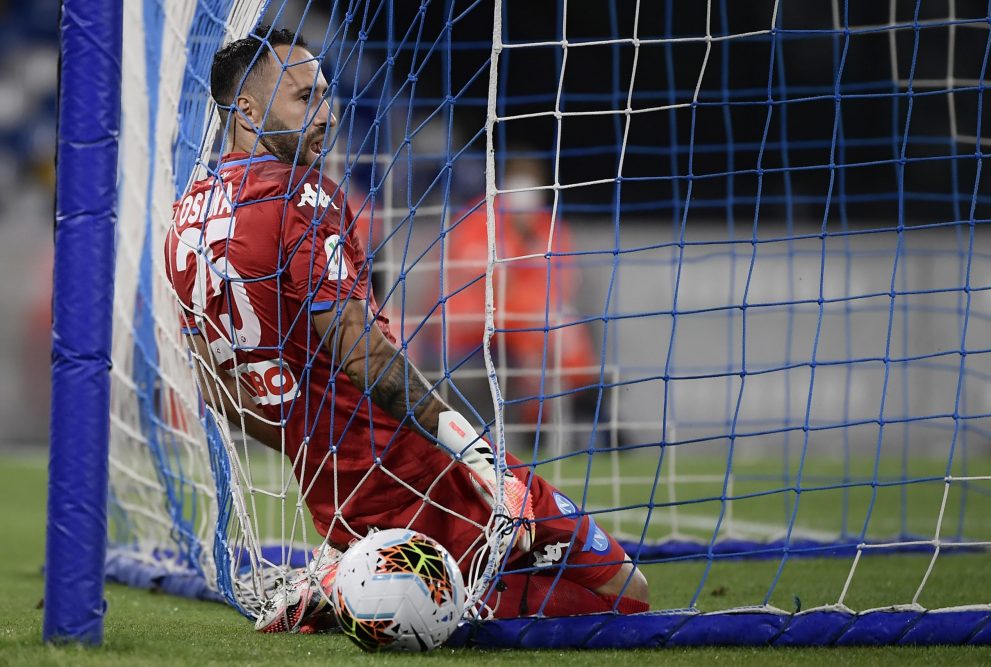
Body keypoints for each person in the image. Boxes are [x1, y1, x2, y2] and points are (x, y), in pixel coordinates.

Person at [165, 26, 648, 633]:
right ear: (248, 111)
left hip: (337, 488)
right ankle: (350, 588)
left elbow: (217, 390)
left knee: (555, 586)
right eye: (303, 97)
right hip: (414, 466)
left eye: (325, 92)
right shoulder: (302, 198)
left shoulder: (188, 215)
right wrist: (481, 462)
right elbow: (364, 358)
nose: (326, 111)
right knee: (625, 596)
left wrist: (316, 450)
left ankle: (357, 577)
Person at [442, 152, 603, 440]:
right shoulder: (478, 217)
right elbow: (474, 281)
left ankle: (567, 414)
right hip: (476, 323)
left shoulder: (548, 225)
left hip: (529, 324)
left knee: (556, 331)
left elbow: (564, 282)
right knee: (545, 332)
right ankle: (585, 409)